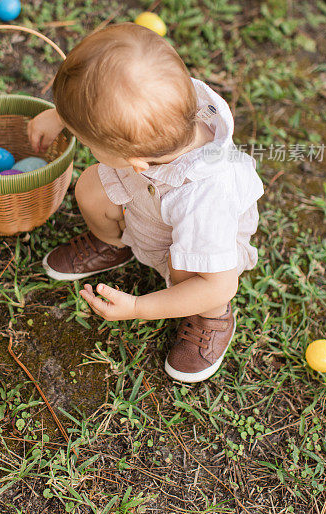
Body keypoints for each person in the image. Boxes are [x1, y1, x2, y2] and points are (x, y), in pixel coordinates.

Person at [27, 23, 264, 383]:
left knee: (188, 271)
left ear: (135, 163)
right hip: (149, 202)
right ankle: (113, 243)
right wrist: (61, 114)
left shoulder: (205, 198)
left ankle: (211, 317)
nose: (84, 145)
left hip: (206, 255)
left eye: (86, 140)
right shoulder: (166, 105)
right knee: (91, 186)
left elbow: (220, 282)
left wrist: (139, 307)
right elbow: (105, 94)